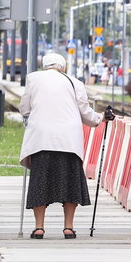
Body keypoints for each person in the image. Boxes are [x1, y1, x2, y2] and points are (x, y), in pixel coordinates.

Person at [19, 53, 103, 239]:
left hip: (41, 139)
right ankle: (68, 227)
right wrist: (100, 119)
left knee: (40, 183)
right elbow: (85, 112)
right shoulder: (74, 82)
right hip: (69, 140)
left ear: (44, 66)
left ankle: (39, 227)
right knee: (70, 183)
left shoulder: (33, 78)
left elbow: (24, 108)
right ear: (62, 67)